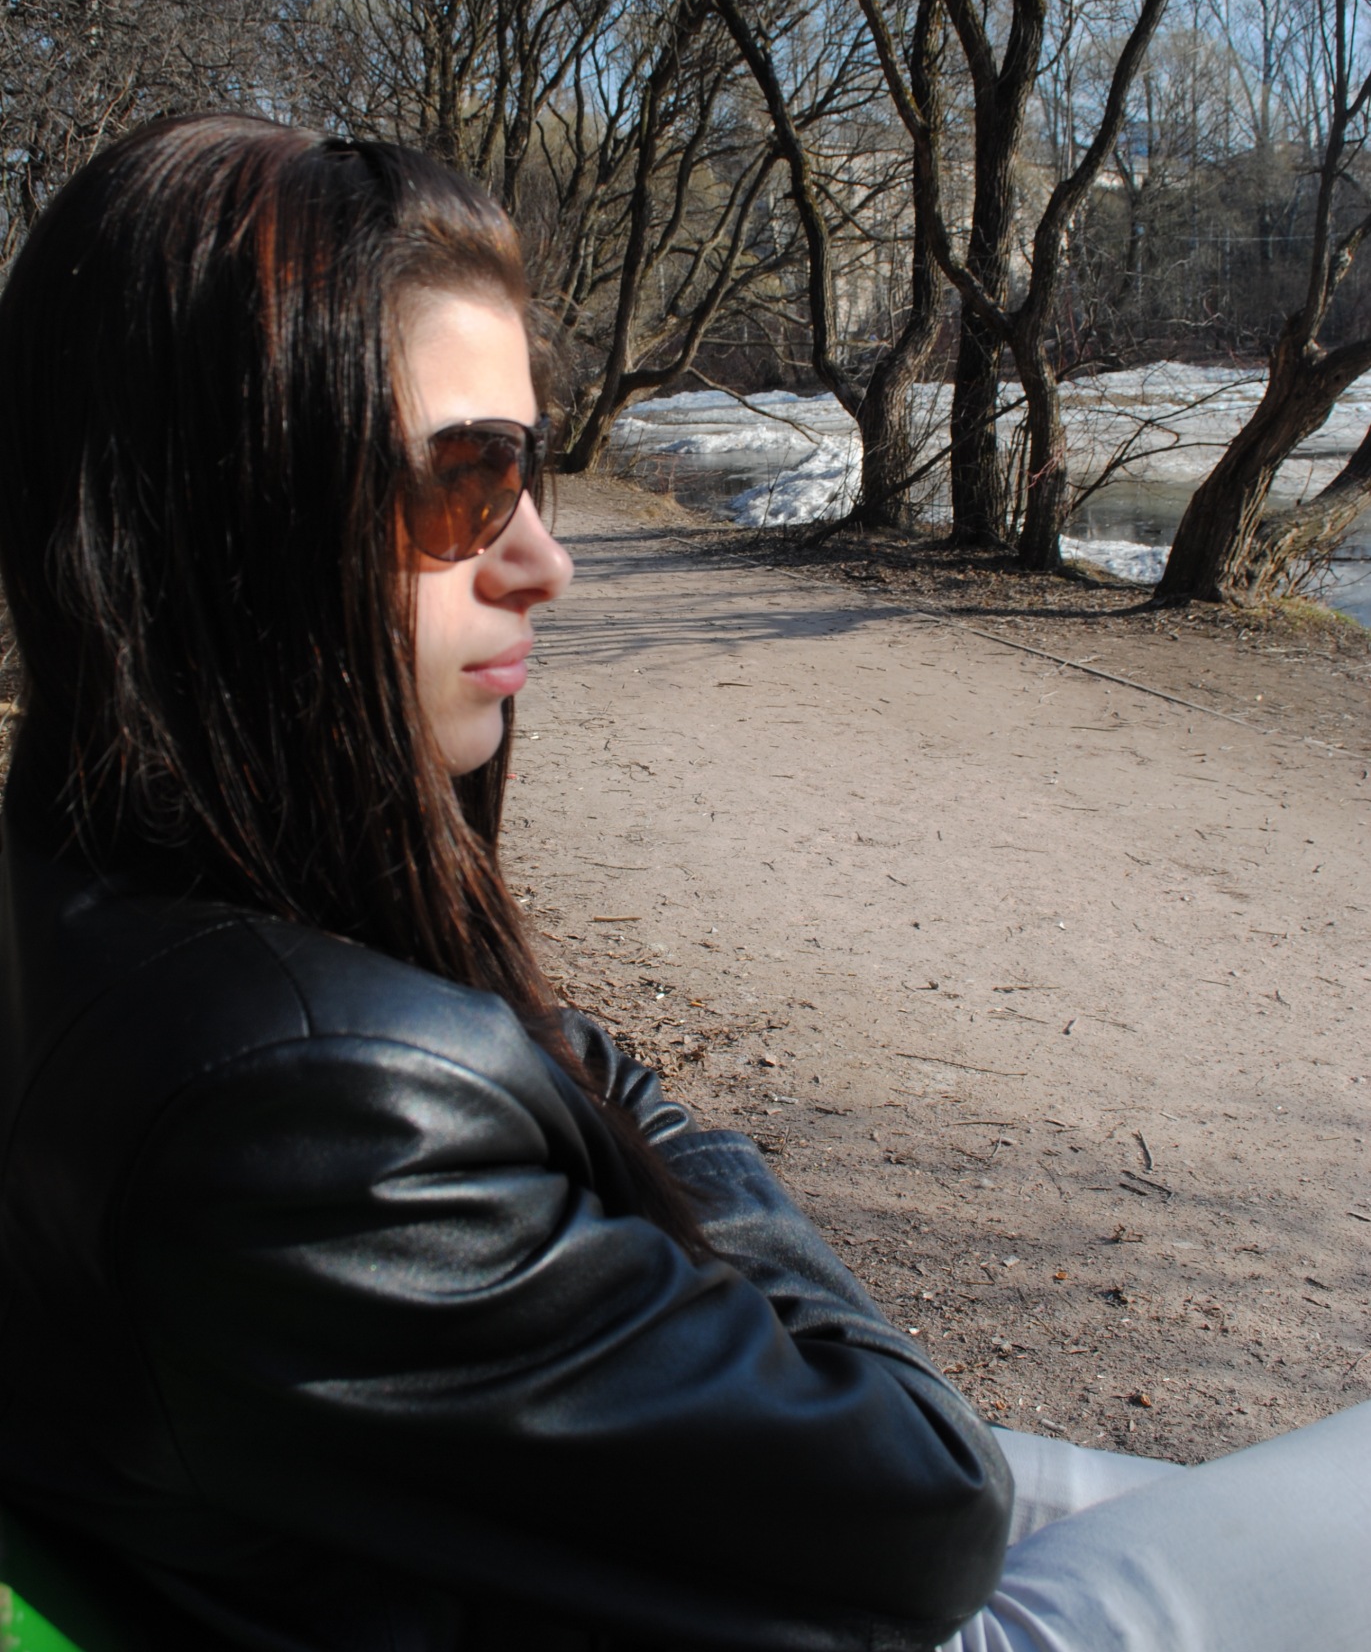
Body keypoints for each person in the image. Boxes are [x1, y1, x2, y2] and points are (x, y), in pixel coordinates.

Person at [0, 115, 1363, 1652]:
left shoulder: (92, 901)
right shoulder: (307, 1104)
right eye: (465, 480)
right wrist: (569, 1075)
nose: (545, 561)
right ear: (215, 522)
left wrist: (518, 1040)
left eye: (531, 467)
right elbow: (921, 1510)